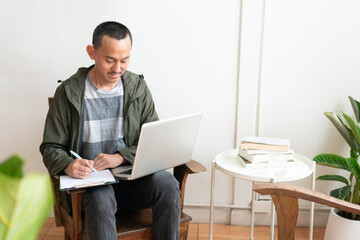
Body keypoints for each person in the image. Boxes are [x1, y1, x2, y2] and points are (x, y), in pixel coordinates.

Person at [40, 21, 180, 240]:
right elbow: (50, 147)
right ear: (92, 52)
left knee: (168, 184)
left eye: (124, 60)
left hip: (132, 182)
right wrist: (69, 164)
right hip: (91, 187)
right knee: (101, 196)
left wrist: (119, 157)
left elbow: (153, 141)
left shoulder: (137, 87)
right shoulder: (68, 92)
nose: (117, 69)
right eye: (110, 60)